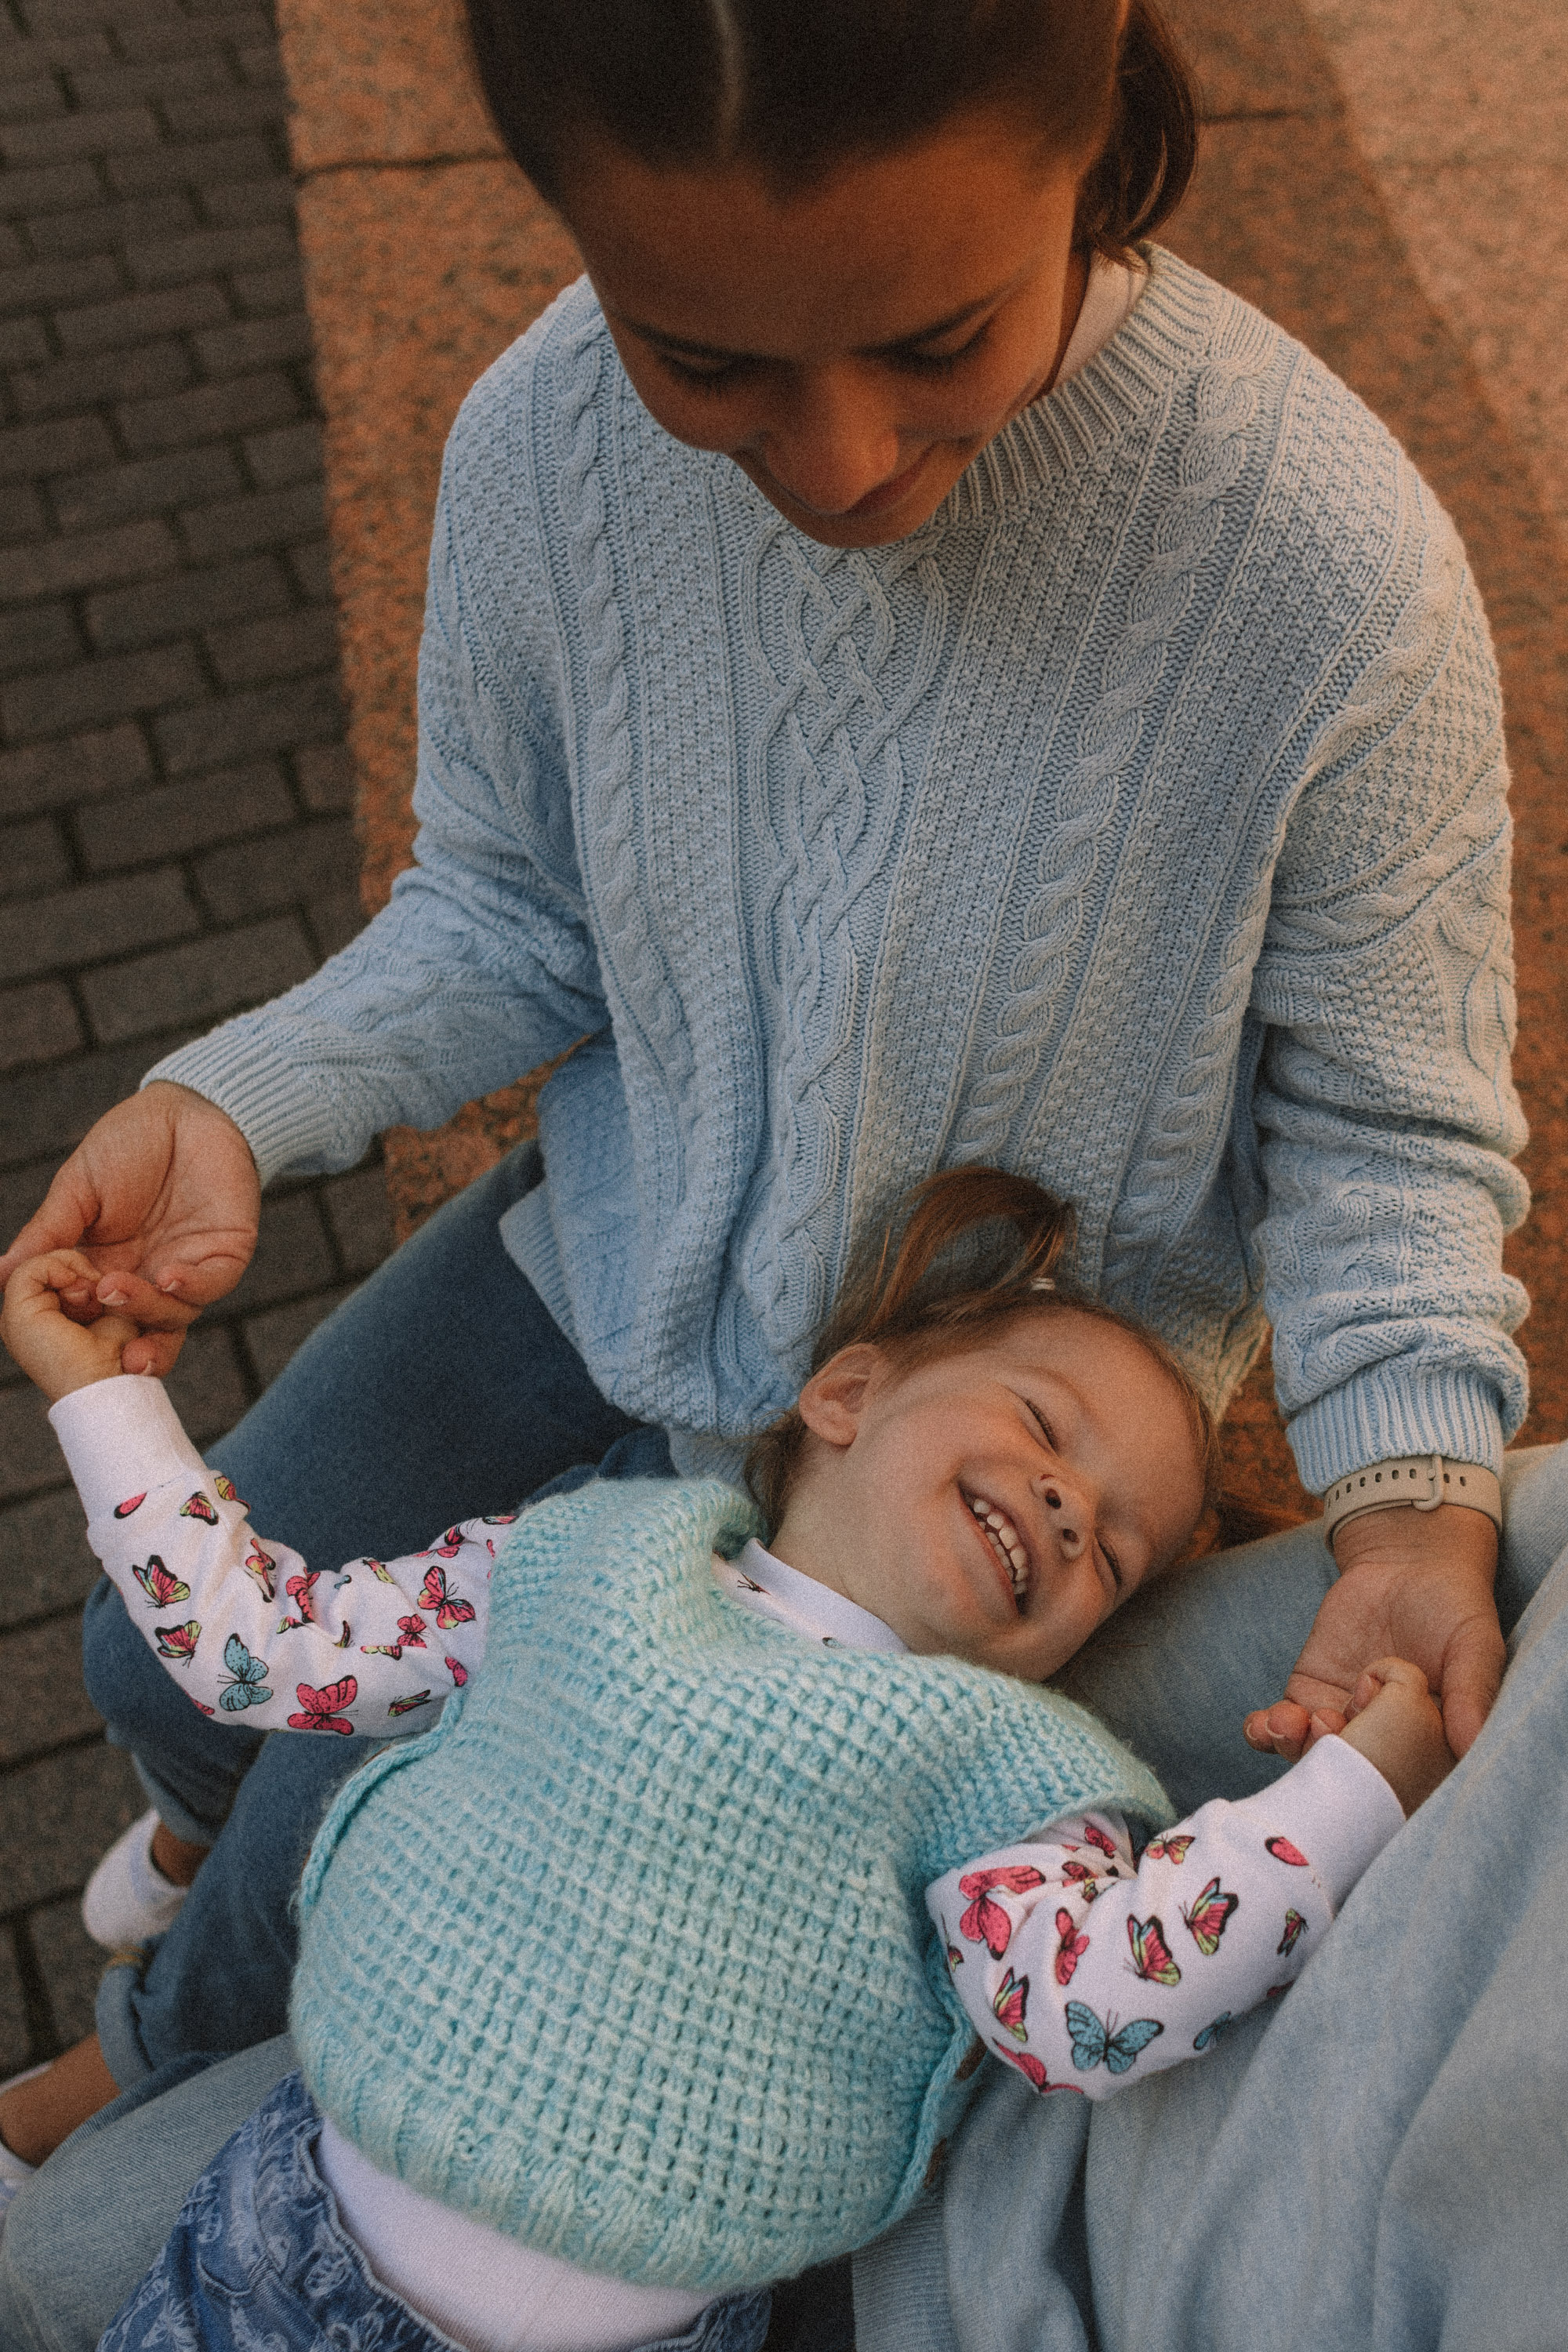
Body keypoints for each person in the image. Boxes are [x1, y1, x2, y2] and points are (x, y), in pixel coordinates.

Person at [0, 0, 1530, 2313]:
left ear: (1090, 117)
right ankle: (175, 1882)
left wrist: (1415, 1497)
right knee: (174, 1665)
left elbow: (1389, 1119)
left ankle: (135, 2054)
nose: (836, 458)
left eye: (933, 338)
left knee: (339, 1843)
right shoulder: (536, 440)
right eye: (700, 358)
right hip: (596, 1257)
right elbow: (503, 903)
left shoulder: (1327, 572)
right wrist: (241, 1097)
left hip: (965, 1427)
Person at [0, 1171, 1454, 2350]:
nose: (1076, 1509)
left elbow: (1096, 2004)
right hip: (277, 2253)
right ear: (848, 1393)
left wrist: (1362, 1783)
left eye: (1117, 1554)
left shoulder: (1005, 1774)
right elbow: (263, 1644)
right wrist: (100, 1401)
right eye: (1042, 1424)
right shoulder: (571, 1560)